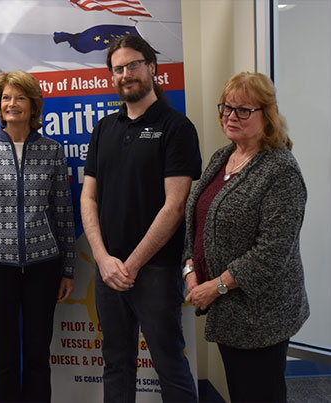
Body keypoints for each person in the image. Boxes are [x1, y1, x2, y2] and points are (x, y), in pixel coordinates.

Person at [80, 35, 201, 403]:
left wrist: (130, 265)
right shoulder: (103, 129)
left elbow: (175, 206)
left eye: (133, 65)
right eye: (118, 68)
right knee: (115, 364)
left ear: (152, 68)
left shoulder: (176, 128)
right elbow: (89, 196)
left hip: (156, 271)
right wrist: (103, 260)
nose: (126, 74)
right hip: (108, 270)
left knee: (169, 364)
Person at [184, 72, 309, 402]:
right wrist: (189, 270)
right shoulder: (222, 157)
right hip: (229, 312)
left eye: (243, 110)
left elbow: (272, 251)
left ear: (266, 115)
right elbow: (195, 220)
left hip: (262, 315)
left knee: (260, 394)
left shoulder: (281, 170)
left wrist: (216, 286)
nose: (230, 116)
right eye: (226, 107)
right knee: (241, 392)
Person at [0, 70, 76, 403]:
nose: (12, 104)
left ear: (33, 105)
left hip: (44, 266)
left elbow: (64, 213)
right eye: (6, 98)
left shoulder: (52, 151)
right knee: (5, 357)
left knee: (39, 356)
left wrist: (68, 269)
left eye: (20, 98)